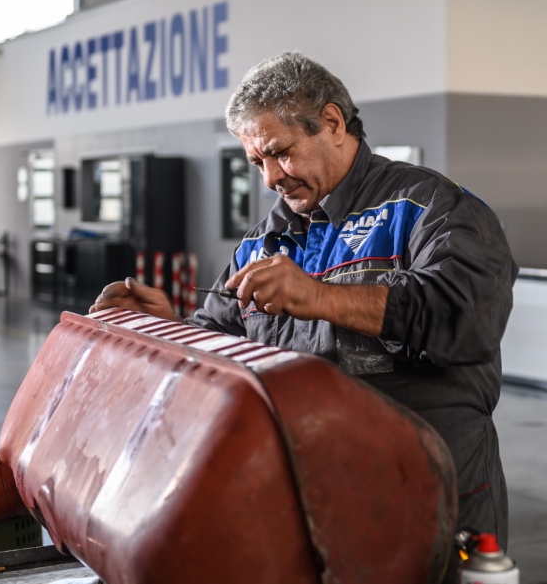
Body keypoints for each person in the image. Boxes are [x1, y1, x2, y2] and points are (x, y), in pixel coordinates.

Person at [90, 51, 518, 552]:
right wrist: (167, 328)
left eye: (282, 152)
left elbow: (467, 319)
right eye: (257, 163)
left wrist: (317, 296)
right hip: (309, 503)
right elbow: (221, 344)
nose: (271, 178)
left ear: (332, 123)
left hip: (428, 502)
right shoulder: (262, 241)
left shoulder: (429, 207)